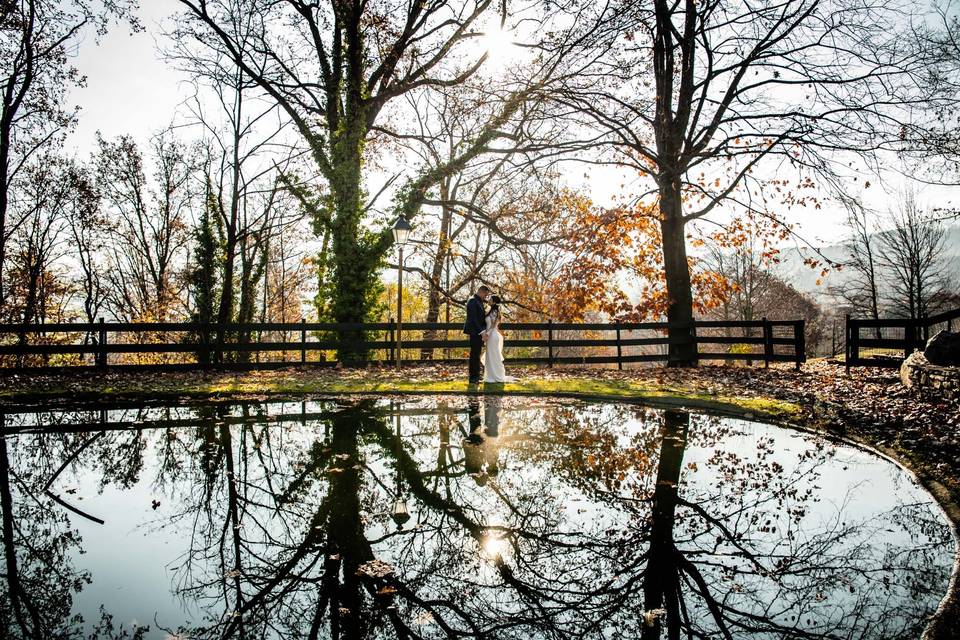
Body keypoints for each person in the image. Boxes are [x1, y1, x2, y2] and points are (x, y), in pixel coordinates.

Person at [483, 295, 516, 383]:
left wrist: (487, 334)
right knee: (490, 356)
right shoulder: (491, 311)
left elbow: (493, 325)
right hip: (491, 335)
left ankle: (496, 376)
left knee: (494, 356)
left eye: (490, 299)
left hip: (492, 336)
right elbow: (495, 327)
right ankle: (490, 375)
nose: (488, 300)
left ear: (494, 302)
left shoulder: (494, 312)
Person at [463, 285, 490, 383]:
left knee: (476, 353)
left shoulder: (478, 301)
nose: (485, 297)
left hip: (478, 332)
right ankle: (473, 377)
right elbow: (473, 319)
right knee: (474, 354)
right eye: (485, 295)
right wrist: (482, 332)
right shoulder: (472, 301)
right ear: (482, 292)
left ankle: (476, 375)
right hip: (475, 332)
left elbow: (481, 318)